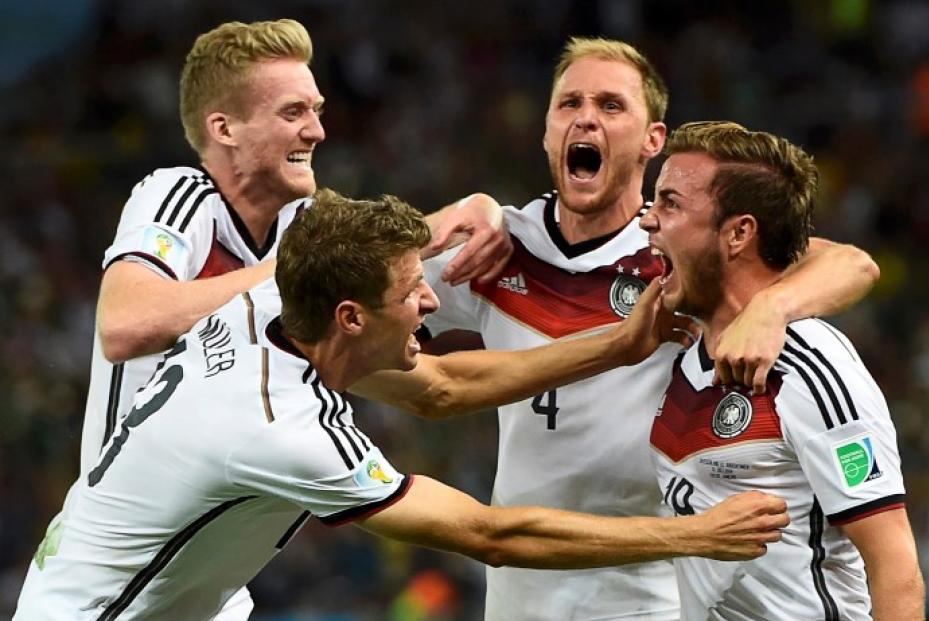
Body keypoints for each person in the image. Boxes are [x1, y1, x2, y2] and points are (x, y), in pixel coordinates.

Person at [15, 189, 790, 620]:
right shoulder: (281, 428)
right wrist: (695, 534)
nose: (430, 297)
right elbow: (492, 532)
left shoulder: (268, 311)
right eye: (410, 290)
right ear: (351, 316)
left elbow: (442, 388)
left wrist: (618, 346)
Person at [385, 38, 881, 620]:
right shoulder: (498, 248)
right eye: (569, 103)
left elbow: (852, 263)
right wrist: (432, 226)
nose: (586, 116)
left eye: (611, 105)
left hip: (651, 590)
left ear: (653, 140)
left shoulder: (680, 252)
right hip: (520, 591)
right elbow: (335, 297)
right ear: (547, 129)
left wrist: (772, 308)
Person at [67, 19, 509, 619]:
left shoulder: (303, 223)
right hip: (119, 577)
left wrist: (472, 211)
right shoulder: (180, 195)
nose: (317, 130)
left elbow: (387, 281)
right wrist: (295, 273)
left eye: (317, 109)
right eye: (293, 112)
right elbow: (124, 323)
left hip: (214, 582)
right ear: (223, 127)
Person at [642, 120, 924, 620]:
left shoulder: (809, 365)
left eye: (671, 203)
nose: (648, 220)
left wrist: (772, 308)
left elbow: (894, 564)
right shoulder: (685, 359)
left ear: (739, 233)